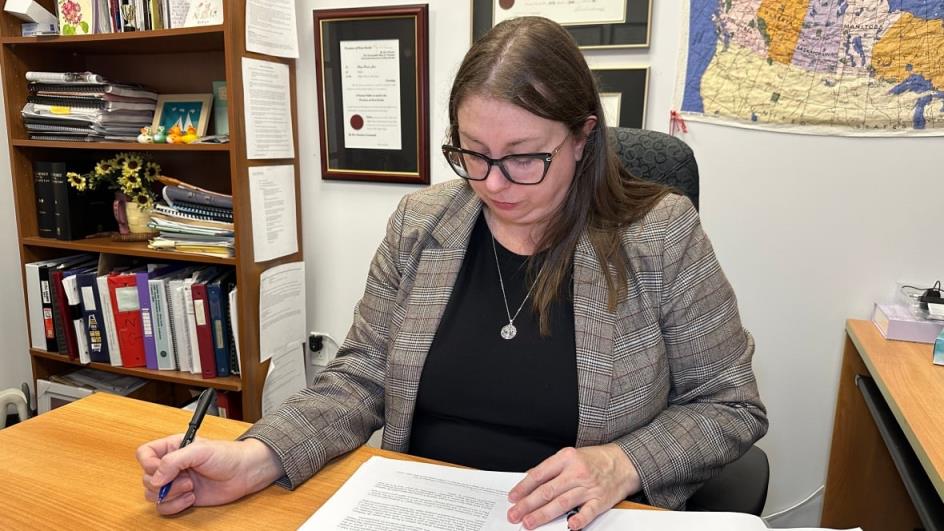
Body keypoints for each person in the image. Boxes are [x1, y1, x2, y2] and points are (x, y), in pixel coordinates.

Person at [137, 16, 767, 530]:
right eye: (473, 153)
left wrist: (623, 462)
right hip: (419, 509)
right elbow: (360, 377)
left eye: (525, 158)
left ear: (582, 137)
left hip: (577, 520)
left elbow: (730, 405)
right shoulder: (422, 223)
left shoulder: (659, 234)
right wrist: (256, 457)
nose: (493, 183)